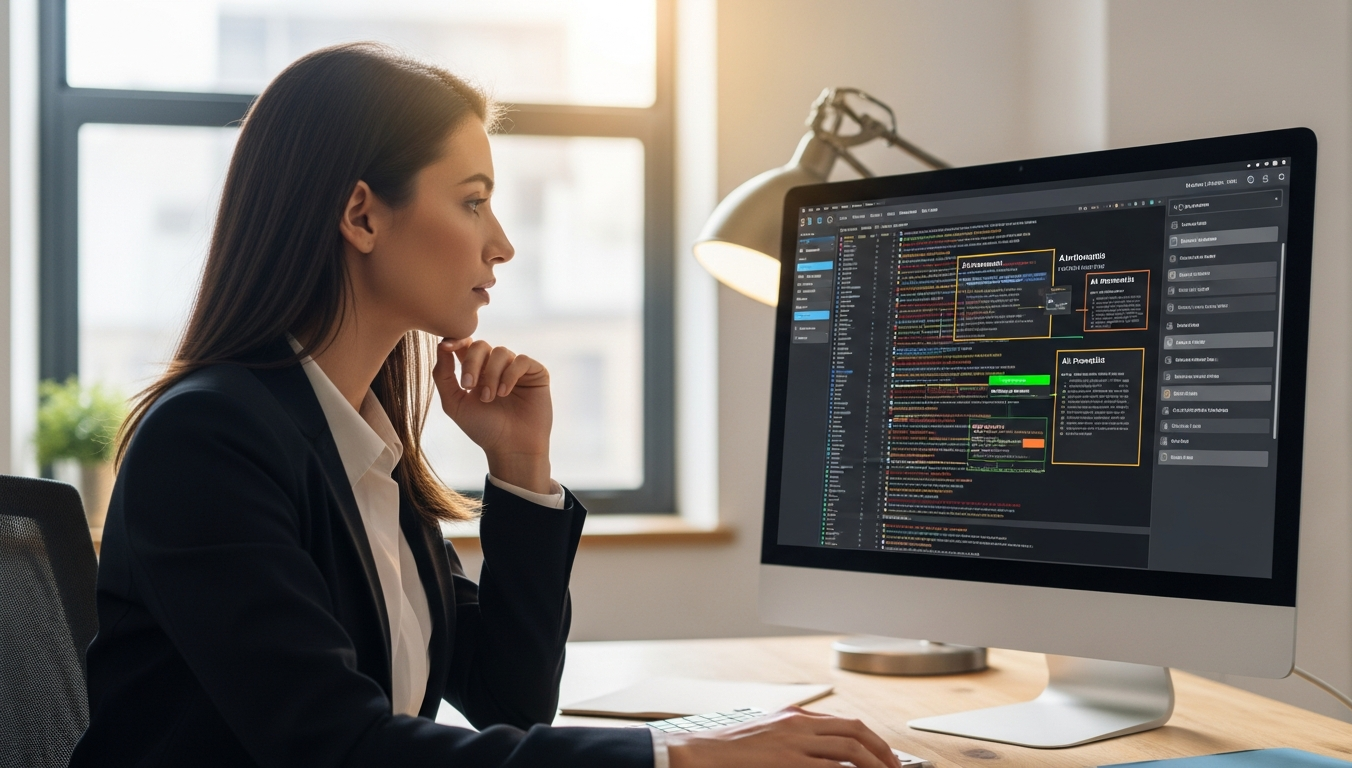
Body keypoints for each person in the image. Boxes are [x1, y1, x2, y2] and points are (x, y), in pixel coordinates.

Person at [67, 44, 901, 768]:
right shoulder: (208, 441)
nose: (500, 243)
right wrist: (675, 754)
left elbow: (510, 702)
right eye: (472, 200)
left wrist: (521, 469)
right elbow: (338, 751)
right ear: (361, 214)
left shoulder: (360, 445)